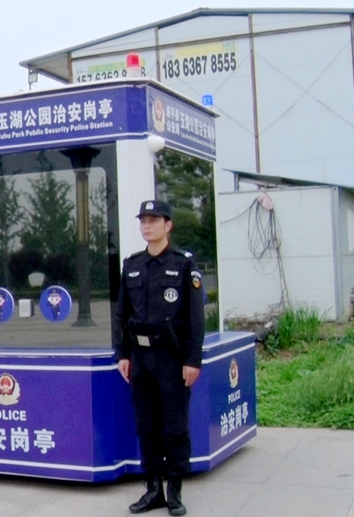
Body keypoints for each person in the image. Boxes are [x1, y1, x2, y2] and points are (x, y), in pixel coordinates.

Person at [114, 200, 204, 516]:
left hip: (171, 358)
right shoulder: (132, 265)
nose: (147, 226)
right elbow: (121, 314)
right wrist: (122, 354)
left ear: (168, 225)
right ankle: (153, 489)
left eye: (154, 220)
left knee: (175, 427)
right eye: (143, 221)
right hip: (140, 358)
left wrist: (193, 360)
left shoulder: (184, 265)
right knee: (147, 426)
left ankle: (174, 491)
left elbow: (195, 318)